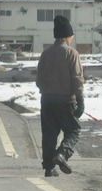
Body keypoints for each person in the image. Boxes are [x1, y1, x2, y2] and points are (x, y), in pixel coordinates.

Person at [36, 15, 85, 177]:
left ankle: (49, 168)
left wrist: (48, 90)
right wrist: (80, 99)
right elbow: (77, 78)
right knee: (73, 130)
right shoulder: (72, 53)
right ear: (67, 36)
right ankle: (62, 154)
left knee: (49, 134)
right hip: (65, 101)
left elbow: (38, 80)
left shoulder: (45, 54)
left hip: (47, 100)